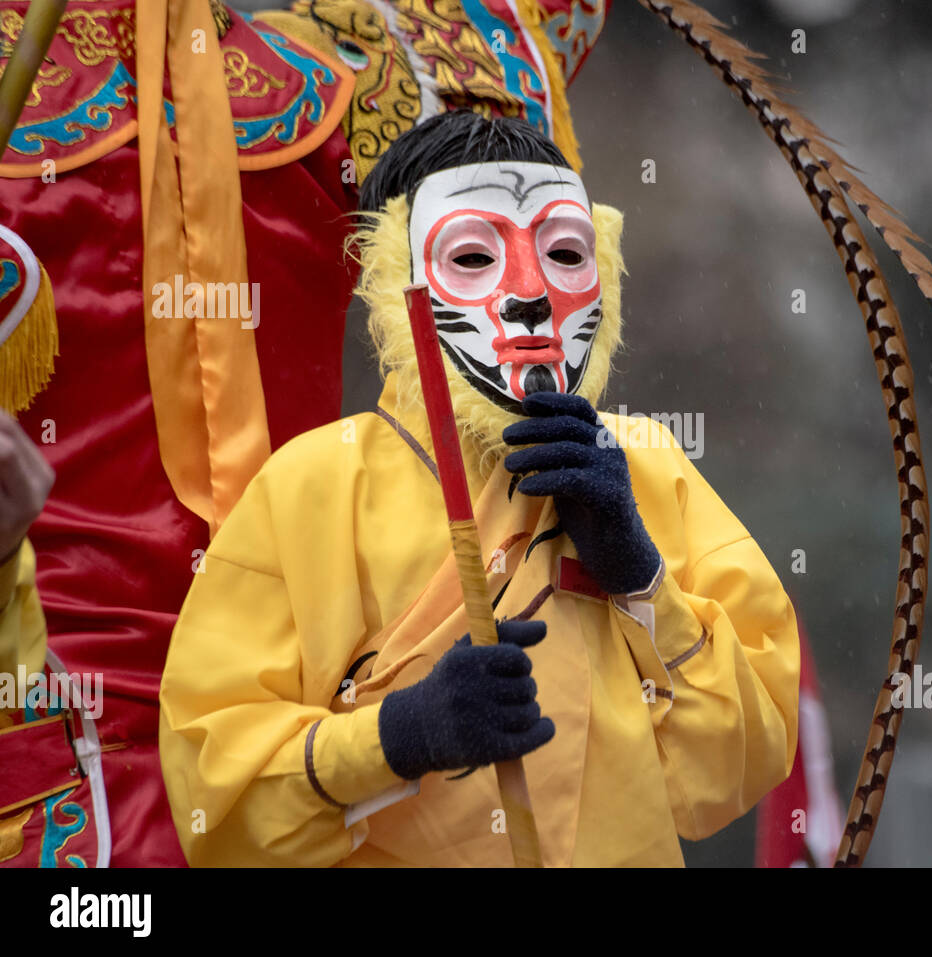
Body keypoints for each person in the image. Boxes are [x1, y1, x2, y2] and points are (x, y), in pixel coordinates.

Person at [157, 111, 800, 866]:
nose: (529, 293)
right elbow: (211, 801)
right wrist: (400, 734)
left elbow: (736, 767)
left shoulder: (650, 465)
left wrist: (641, 581)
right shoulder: (310, 484)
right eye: (471, 255)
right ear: (393, 275)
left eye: (563, 252)